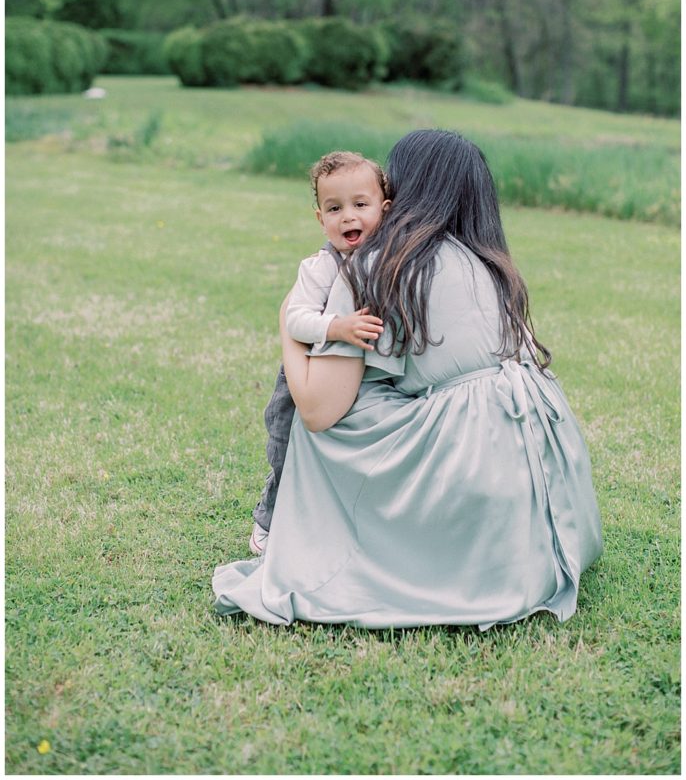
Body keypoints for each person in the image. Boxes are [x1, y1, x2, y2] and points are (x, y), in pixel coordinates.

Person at [213, 129, 602, 629]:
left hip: (475, 485)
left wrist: (288, 322)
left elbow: (317, 411)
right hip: (542, 512)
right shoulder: (489, 262)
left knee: (320, 405)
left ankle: (296, 534)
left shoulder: (379, 264)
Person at [249, 150, 390, 555]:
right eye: (334, 208)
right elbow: (296, 320)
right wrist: (337, 327)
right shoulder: (320, 267)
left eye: (360, 205)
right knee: (285, 447)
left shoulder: (384, 258)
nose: (348, 217)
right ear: (319, 218)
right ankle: (268, 520)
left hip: (352, 378)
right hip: (306, 375)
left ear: (385, 208)